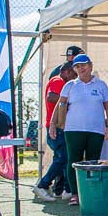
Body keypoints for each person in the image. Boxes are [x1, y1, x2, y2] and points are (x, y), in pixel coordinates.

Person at [50, 54, 108, 208]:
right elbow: (60, 104)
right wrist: (53, 124)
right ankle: (74, 194)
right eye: (77, 66)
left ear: (91, 66)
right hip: (73, 129)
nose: (81, 68)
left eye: (84, 65)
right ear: (74, 69)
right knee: (73, 160)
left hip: (96, 130)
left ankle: (90, 193)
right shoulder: (70, 85)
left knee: (93, 161)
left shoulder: (101, 85)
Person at [33, 62, 74, 202]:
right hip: (56, 127)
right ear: (67, 71)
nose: (75, 78)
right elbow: (51, 96)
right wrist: (71, 100)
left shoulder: (61, 82)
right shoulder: (58, 80)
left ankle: (62, 189)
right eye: (74, 74)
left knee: (63, 158)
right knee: (63, 158)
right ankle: (43, 184)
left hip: (58, 126)